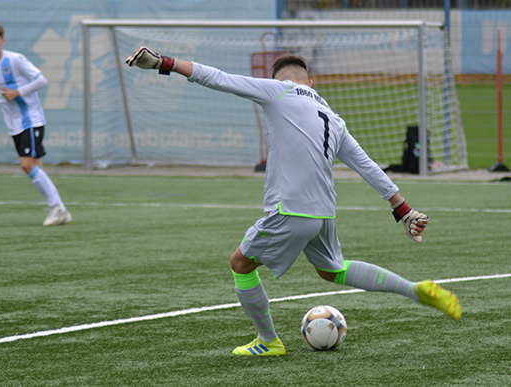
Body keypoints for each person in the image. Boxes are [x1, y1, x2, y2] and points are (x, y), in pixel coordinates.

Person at [125, 47, 462, 356]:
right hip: (324, 212)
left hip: (291, 208)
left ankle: (268, 341)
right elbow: (365, 164)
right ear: (311, 82)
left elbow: (218, 78)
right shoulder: (333, 117)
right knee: (333, 270)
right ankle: (414, 289)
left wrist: (161, 63)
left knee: (240, 263)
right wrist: (402, 208)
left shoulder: (278, 90)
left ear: (276, 80)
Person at [0, 23, 71, 226]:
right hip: (14, 124)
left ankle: (57, 208)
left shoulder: (15, 60)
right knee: (36, 165)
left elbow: (42, 80)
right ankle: (60, 209)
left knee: (26, 164)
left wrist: (17, 92)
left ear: (3, 40)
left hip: (31, 119)